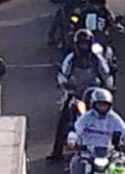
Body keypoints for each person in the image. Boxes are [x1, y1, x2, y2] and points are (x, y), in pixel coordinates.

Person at [49, 30, 114, 162]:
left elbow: (106, 74)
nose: (84, 47)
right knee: (64, 120)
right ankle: (57, 153)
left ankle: (114, 147)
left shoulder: (97, 59)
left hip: (95, 95)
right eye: (81, 44)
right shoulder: (71, 59)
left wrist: (108, 87)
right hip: (76, 95)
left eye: (86, 44)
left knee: (109, 115)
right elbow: (62, 74)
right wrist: (65, 85)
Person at [66, 88, 125, 174]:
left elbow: (124, 131)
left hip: (110, 153)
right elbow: (75, 130)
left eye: (105, 105)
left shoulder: (114, 118)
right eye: (99, 105)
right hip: (88, 153)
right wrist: (72, 140)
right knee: (77, 167)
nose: (102, 108)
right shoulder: (86, 118)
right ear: (93, 104)